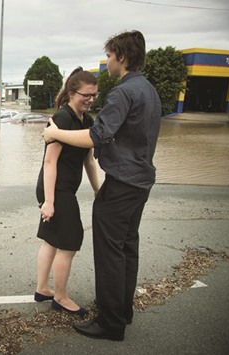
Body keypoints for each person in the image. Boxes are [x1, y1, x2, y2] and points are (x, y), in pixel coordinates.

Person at [42, 30, 162, 341]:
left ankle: (110, 323)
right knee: (127, 248)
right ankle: (122, 310)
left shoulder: (123, 93)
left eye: (109, 56)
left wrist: (55, 134)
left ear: (121, 57)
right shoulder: (149, 89)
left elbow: (97, 137)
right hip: (141, 182)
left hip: (121, 184)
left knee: (110, 253)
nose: (106, 62)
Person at [34, 67, 100, 316]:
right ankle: (60, 297)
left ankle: (42, 288)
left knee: (52, 240)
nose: (91, 99)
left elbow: (89, 161)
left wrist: (97, 189)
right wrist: (49, 202)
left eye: (94, 95)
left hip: (63, 189)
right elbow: (49, 162)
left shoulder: (86, 120)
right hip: (56, 190)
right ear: (72, 93)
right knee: (70, 243)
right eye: (86, 94)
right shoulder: (61, 119)